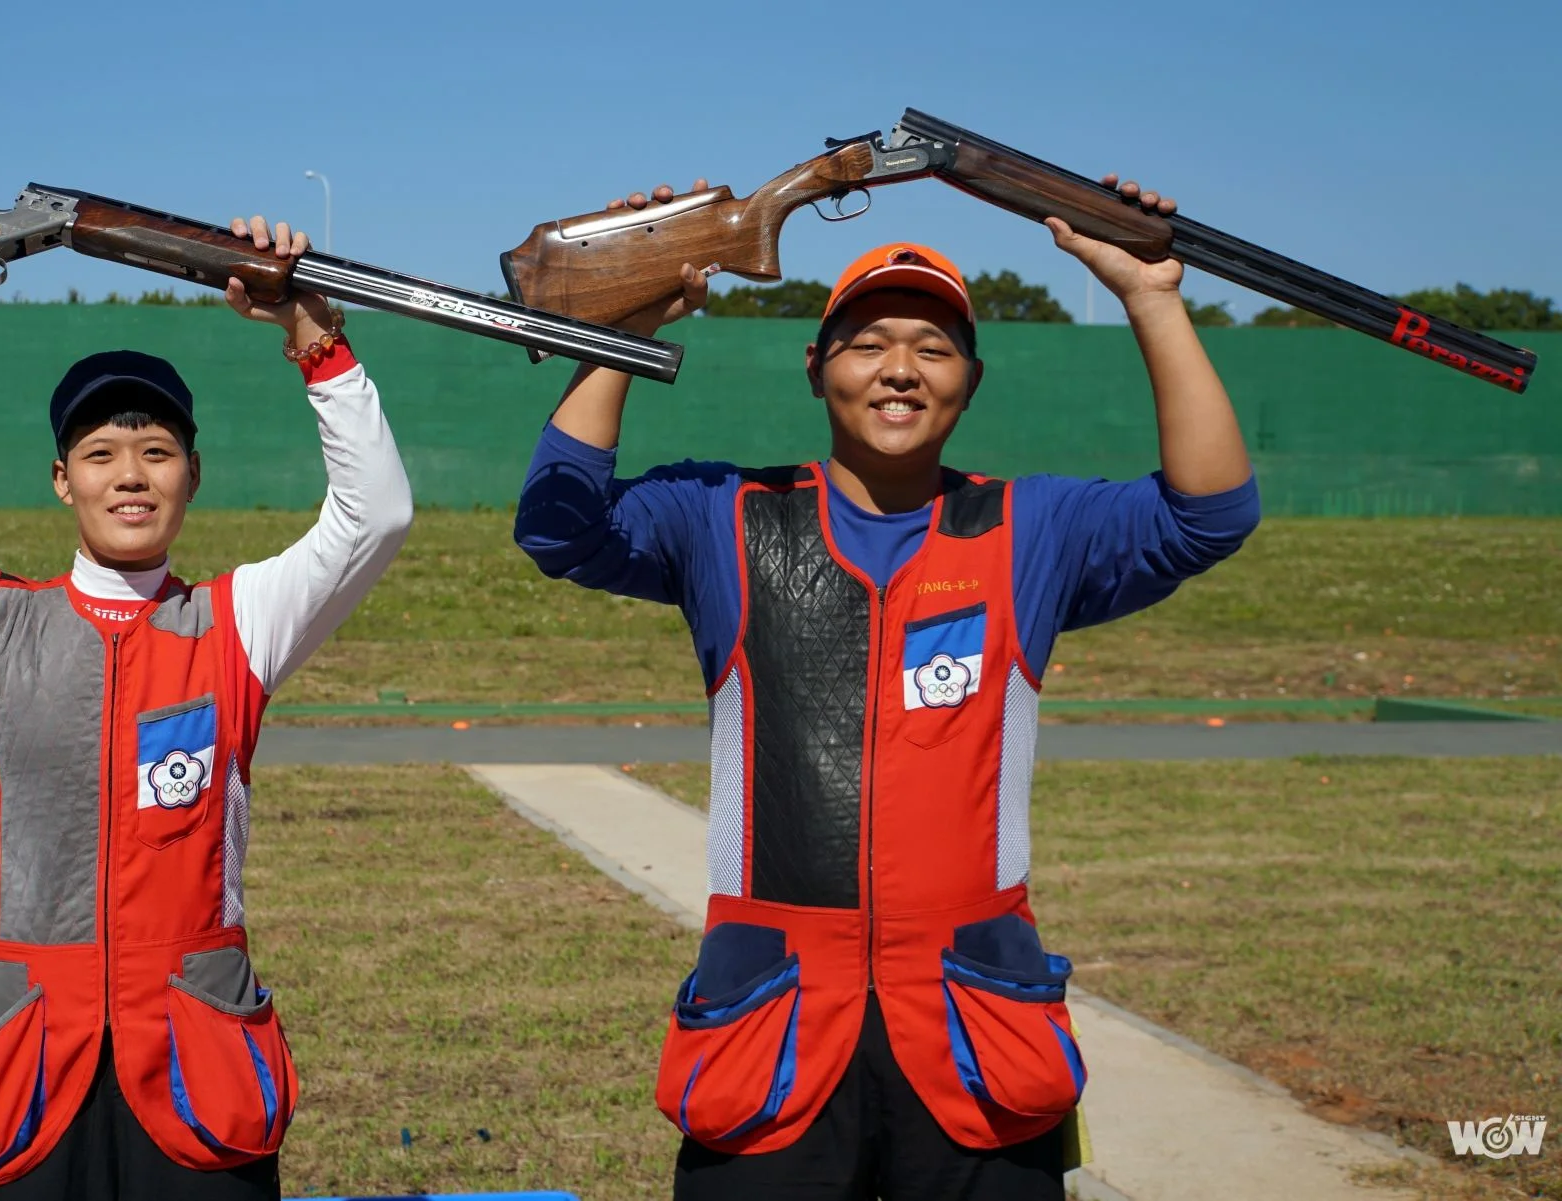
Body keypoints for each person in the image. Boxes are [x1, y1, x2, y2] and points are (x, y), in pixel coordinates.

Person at [514, 178, 1260, 1200]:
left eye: (933, 347)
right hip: (769, 1027)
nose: (899, 368)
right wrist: (626, 326)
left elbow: (1209, 514)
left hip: (974, 1029)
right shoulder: (724, 513)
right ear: (815, 367)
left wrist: (1151, 297)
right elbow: (560, 526)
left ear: (971, 382)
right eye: (866, 343)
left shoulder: (1030, 528)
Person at [0, 217, 413, 1200]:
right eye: (101, 452)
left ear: (192, 476)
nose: (130, 474)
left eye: (157, 450)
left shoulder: (239, 621)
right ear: (62, 480)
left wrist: (313, 335)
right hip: (15, 1075)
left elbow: (378, 513)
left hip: (197, 1079)